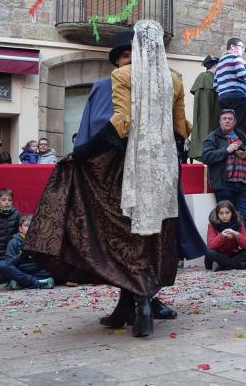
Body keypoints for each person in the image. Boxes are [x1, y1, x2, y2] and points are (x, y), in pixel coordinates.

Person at [24, 20, 203, 338]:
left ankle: (143, 305)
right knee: (150, 238)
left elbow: (120, 124)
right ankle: (130, 304)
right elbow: (181, 130)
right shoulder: (174, 79)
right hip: (161, 172)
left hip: (128, 170)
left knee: (126, 237)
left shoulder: (121, 76)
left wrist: (81, 154)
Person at [201, 109, 246, 250]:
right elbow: (206, 157)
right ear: (220, 121)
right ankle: (226, 252)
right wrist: (226, 150)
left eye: (230, 119)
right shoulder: (213, 137)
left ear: (234, 122)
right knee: (225, 220)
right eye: (224, 119)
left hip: (243, 184)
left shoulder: (243, 137)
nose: (227, 121)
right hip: (223, 185)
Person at [74, 31, 132, 147]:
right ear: (117, 60)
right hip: (104, 156)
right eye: (126, 56)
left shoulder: (151, 89)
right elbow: (87, 126)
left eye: (137, 56)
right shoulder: (102, 86)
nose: (131, 60)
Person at [0, 214, 55, 290]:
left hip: (39, 272)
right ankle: (38, 283)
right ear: (20, 229)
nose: (30, 228)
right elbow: (9, 263)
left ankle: (22, 283)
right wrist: (20, 256)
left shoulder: (41, 240)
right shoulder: (14, 242)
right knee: (0, 265)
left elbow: (49, 260)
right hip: (21, 272)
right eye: (26, 225)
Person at [205, 200, 246, 271]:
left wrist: (236, 235)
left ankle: (223, 266)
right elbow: (211, 246)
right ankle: (244, 265)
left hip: (233, 254)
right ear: (217, 214)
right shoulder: (212, 225)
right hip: (219, 255)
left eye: (227, 213)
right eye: (221, 213)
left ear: (232, 213)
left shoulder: (238, 223)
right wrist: (222, 236)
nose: (224, 216)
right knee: (209, 252)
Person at [215, 38, 246, 137]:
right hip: (237, 96)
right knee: (239, 126)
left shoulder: (219, 63)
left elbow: (215, 86)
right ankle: (239, 149)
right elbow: (242, 75)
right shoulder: (236, 57)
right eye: (241, 47)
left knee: (226, 126)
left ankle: (227, 148)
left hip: (222, 98)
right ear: (232, 47)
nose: (243, 50)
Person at [188, 55, 219, 161]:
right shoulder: (205, 78)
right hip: (209, 121)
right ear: (215, 65)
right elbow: (205, 111)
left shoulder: (208, 78)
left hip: (211, 120)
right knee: (205, 125)